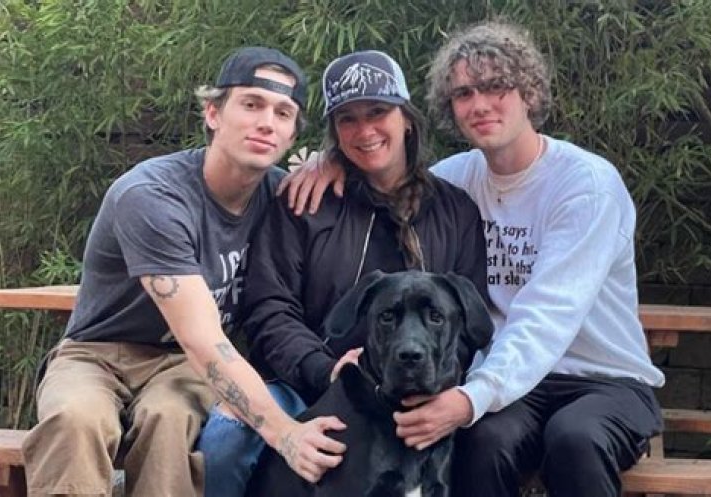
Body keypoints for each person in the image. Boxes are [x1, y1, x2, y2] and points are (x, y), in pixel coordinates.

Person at [281, 21, 665, 497]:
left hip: (602, 381)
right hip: (515, 388)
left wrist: (470, 398)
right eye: (464, 93)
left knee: (574, 439)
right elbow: (388, 174)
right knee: (483, 441)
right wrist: (334, 161)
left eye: (495, 86)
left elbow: (548, 316)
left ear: (528, 92)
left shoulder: (585, 185)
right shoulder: (455, 181)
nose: (479, 104)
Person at [21, 46, 346, 497]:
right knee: (74, 419)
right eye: (251, 104)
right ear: (213, 113)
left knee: (170, 422)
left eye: (283, 113)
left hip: (181, 366)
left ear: (293, 134)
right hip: (97, 353)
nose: (266, 122)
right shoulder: (152, 194)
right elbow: (202, 338)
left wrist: (335, 161)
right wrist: (286, 433)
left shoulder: (283, 195)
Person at [198, 49, 489, 496]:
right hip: (302, 388)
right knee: (225, 439)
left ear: (406, 119)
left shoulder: (455, 211)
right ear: (334, 132)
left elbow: (470, 321)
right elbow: (270, 307)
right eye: (348, 119)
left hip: (425, 391)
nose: (365, 130)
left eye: (378, 113)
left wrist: (444, 388)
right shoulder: (305, 202)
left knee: (492, 441)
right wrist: (324, 368)